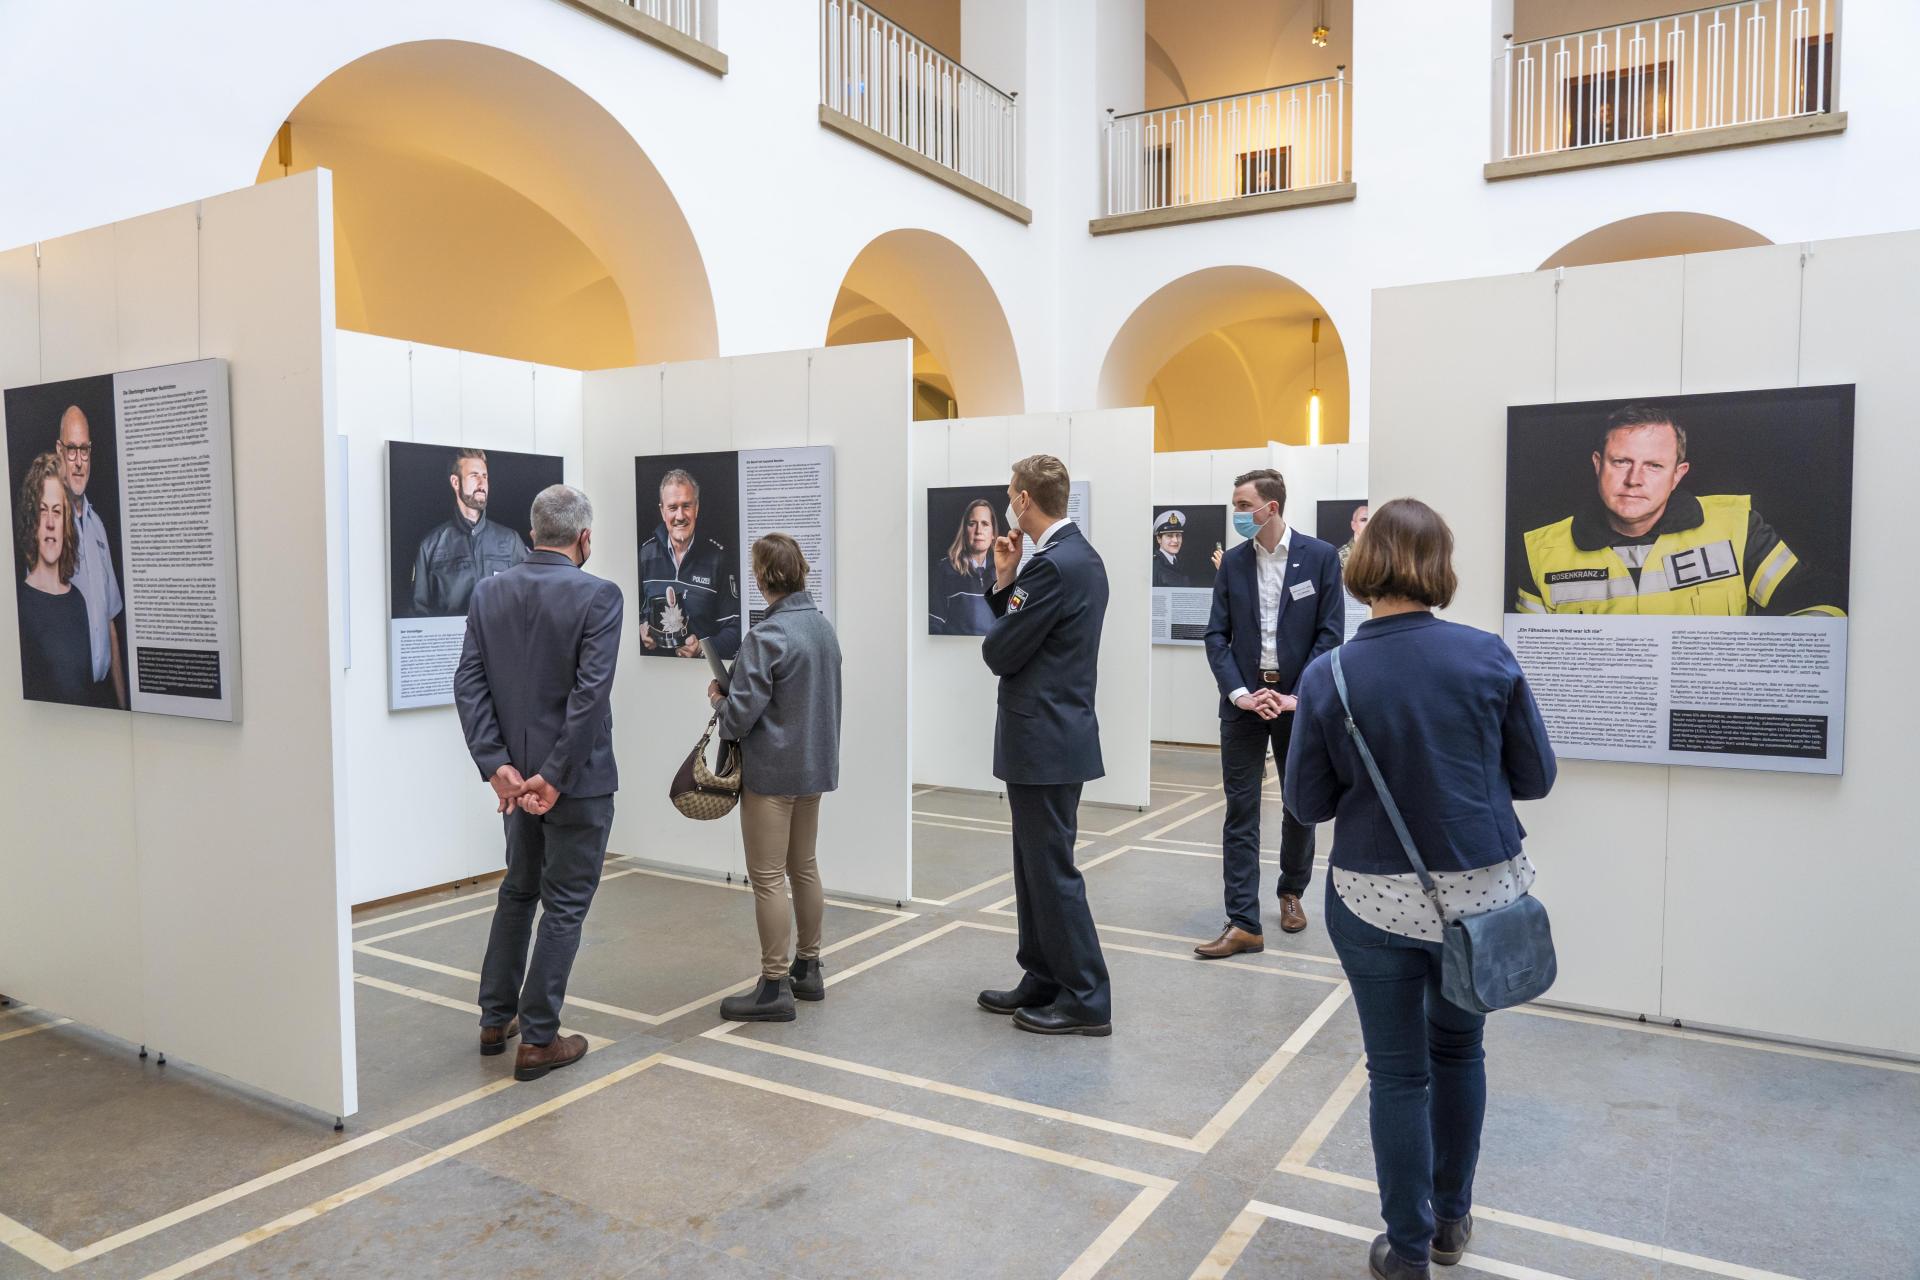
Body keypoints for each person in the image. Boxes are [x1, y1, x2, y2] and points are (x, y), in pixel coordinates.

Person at [1284, 498, 1556, 1280]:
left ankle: (1406, 1249)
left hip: (1372, 897)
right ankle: (1452, 1222)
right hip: (1479, 894)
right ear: (1439, 566)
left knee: (1397, 1071)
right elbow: (1535, 777)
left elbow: (1307, 805)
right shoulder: (1487, 656)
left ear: (1366, 567)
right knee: (1459, 1050)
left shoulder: (1329, 673)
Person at [454, 484, 623, 1083]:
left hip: (515, 784)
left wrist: (497, 765)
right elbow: (588, 696)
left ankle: (495, 1019)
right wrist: (551, 776)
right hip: (573, 783)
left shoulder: (488, 591)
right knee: (566, 906)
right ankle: (540, 1039)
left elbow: (468, 683)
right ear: (583, 539)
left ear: (531, 533)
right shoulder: (599, 596)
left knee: (519, 891)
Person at [976, 454, 1113, 1036]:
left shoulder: (1053, 567)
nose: (1009, 502)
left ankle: (1086, 994)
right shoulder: (1079, 558)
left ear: (1026, 501)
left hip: (1045, 739)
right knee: (1034, 867)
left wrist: (1010, 585)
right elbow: (1029, 635)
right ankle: (1044, 974)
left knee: (1051, 870)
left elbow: (1001, 651)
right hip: (1054, 735)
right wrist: (1008, 581)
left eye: (1012, 494)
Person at [1198, 468, 1342, 955]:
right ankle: (1242, 921)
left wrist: (1294, 696)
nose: (1236, 513)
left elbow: (1330, 635)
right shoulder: (1234, 563)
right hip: (1243, 703)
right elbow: (1216, 636)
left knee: (1299, 805)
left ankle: (1291, 892)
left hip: (1297, 703)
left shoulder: (1320, 558)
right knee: (1241, 810)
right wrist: (1241, 692)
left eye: (1243, 505)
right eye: (1235, 505)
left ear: (1271, 508)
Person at [1515, 404, 1844, 616]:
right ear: (1598, 465)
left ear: (1678, 475)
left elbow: (1815, 598)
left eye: (1653, 466)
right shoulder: (1541, 552)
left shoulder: (1736, 527)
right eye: (1621, 462)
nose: (1634, 480)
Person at [706, 533, 844, 1022]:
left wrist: (720, 701)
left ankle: (773, 985)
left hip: (771, 776)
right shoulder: (823, 629)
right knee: (803, 866)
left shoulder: (768, 636)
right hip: (812, 770)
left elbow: (740, 717)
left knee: (767, 879)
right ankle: (808, 968)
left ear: (763, 579)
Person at [55, 406, 126, 708]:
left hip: (102, 698)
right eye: (72, 450)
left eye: (84, 450)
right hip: (69, 700)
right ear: (59, 451)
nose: (79, 462)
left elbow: (110, 625)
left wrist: (124, 707)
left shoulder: (98, 526)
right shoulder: (49, 527)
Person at [410, 448, 531, 617]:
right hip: (449, 642)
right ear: (455, 482)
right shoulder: (430, 546)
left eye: (485, 476)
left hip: (501, 642)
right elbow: (419, 611)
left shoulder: (510, 541)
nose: (482, 484)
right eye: (474, 475)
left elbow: (532, 597)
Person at [15, 453, 93, 705]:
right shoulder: (20, 606)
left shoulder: (77, 601)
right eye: (42, 511)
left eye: (57, 512)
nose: (50, 523)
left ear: (65, 523)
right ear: (33, 521)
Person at [638, 468, 740, 659]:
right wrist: (641, 630)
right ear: (662, 511)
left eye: (686, 506)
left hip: (700, 675)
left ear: (697, 508)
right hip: (651, 673)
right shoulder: (645, 554)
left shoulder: (718, 559)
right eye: (672, 507)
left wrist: (702, 648)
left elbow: (735, 629)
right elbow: (631, 614)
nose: (680, 516)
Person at [930, 498, 998, 635]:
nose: (979, 530)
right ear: (964, 531)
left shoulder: (1003, 570)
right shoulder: (945, 569)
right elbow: (934, 624)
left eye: (985, 524)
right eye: (972, 523)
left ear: (993, 535)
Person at [1152, 510, 1191, 588]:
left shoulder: (1180, 561)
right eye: (1169, 536)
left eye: (1178, 535)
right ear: (1159, 539)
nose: (1176, 540)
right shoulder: (1155, 566)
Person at [1338, 502, 1370, 571]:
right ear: (1353, 525)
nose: (1368, 523)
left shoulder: (1383, 553)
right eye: (1363, 520)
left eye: (1371, 519)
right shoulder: (1340, 556)